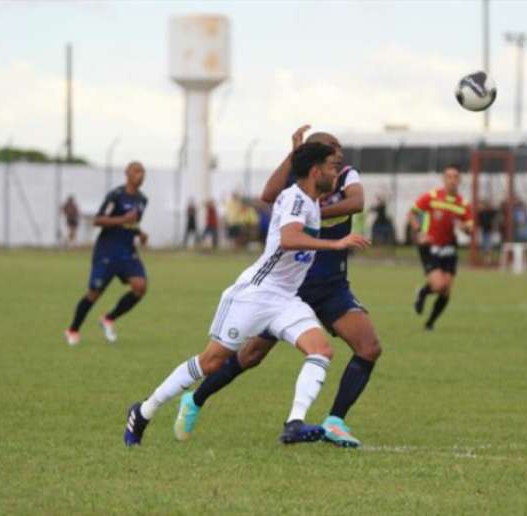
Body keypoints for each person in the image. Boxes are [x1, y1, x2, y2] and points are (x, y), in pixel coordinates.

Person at [123, 142, 370, 447]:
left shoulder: (310, 200)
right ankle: (144, 411)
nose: (338, 173)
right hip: (255, 294)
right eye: (333, 166)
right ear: (316, 170)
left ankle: (294, 424)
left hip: (286, 299)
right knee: (210, 362)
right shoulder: (295, 199)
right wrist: (335, 244)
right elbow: (290, 238)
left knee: (320, 350)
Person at [64, 162, 149, 346]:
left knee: (140, 286)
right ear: (127, 173)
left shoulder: (142, 200)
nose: (141, 175)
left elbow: (132, 224)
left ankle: (108, 319)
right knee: (94, 293)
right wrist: (122, 219)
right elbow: (98, 220)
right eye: (137, 171)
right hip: (107, 251)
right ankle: (73, 330)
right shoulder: (116, 196)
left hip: (127, 251)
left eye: (143, 172)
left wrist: (139, 233)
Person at [408, 164, 473, 331]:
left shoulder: (463, 204)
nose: (452, 180)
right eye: (448, 177)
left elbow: (470, 229)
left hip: (449, 248)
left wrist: (464, 227)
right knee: (438, 285)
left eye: (455, 177)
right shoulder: (432, 197)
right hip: (429, 246)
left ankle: (430, 324)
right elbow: (412, 213)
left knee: (446, 290)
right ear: (444, 179)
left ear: (460, 180)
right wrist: (419, 231)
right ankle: (423, 292)